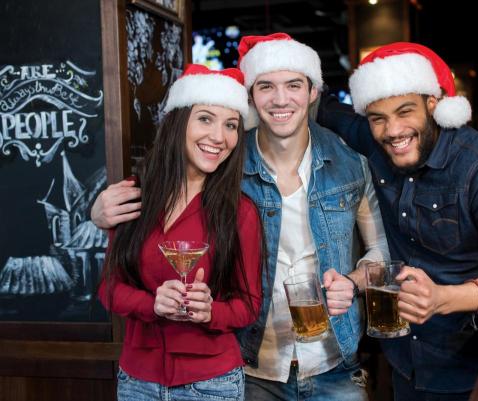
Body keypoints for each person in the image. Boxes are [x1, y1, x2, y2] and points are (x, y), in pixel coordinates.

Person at [92, 33, 390, 401]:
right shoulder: (225, 167)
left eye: (294, 85)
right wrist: (98, 212)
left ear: (313, 92)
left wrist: (355, 281)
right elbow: (120, 269)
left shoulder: (349, 165)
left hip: (332, 359)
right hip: (252, 365)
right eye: (266, 86)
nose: (280, 99)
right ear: (251, 97)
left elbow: (381, 250)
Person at [317, 42, 478, 400]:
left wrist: (444, 298)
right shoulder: (374, 137)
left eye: (405, 111)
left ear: (434, 104)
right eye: (378, 117)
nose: (392, 131)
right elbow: (320, 106)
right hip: (404, 362)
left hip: (473, 368)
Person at [98, 64, 263, 401]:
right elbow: (110, 289)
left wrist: (210, 311)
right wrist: (152, 303)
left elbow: (248, 305)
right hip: (136, 381)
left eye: (231, 125)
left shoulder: (240, 211)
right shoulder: (132, 196)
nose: (219, 137)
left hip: (211, 384)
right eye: (205, 118)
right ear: (178, 121)